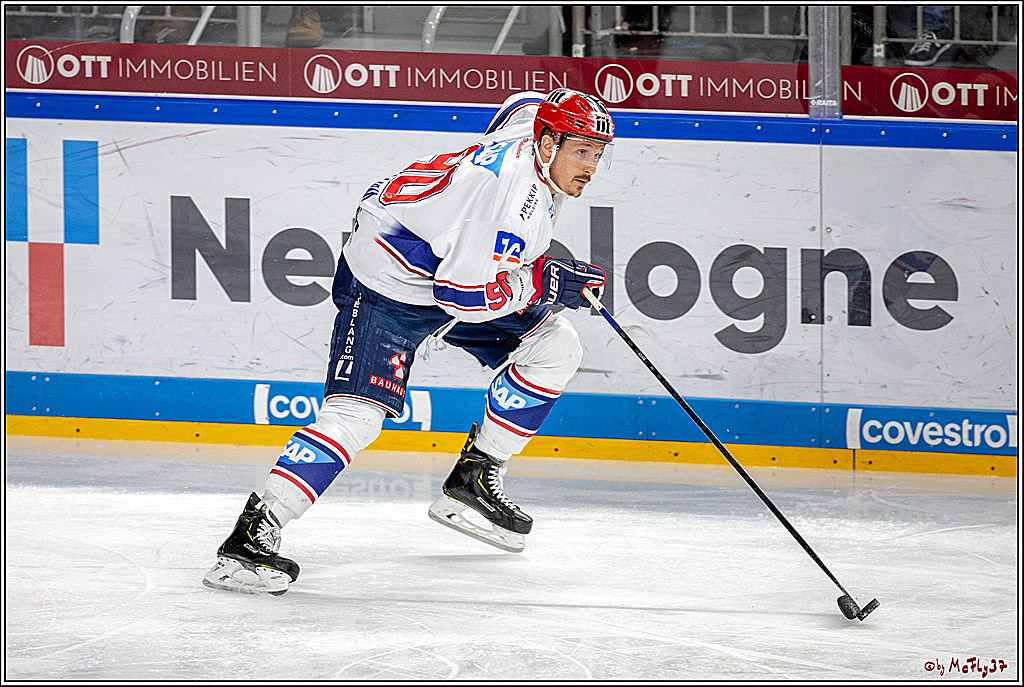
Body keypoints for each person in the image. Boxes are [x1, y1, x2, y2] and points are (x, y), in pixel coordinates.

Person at [202, 88, 615, 595]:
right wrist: (542, 283)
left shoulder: (530, 130)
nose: (591, 166)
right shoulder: (505, 204)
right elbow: (462, 299)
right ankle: (247, 542)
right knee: (356, 417)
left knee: (555, 345)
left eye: (598, 154)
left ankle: (474, 479)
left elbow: (520, 103)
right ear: (547, 145)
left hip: (448, 266)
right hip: (386, 287)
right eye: (582, 152)